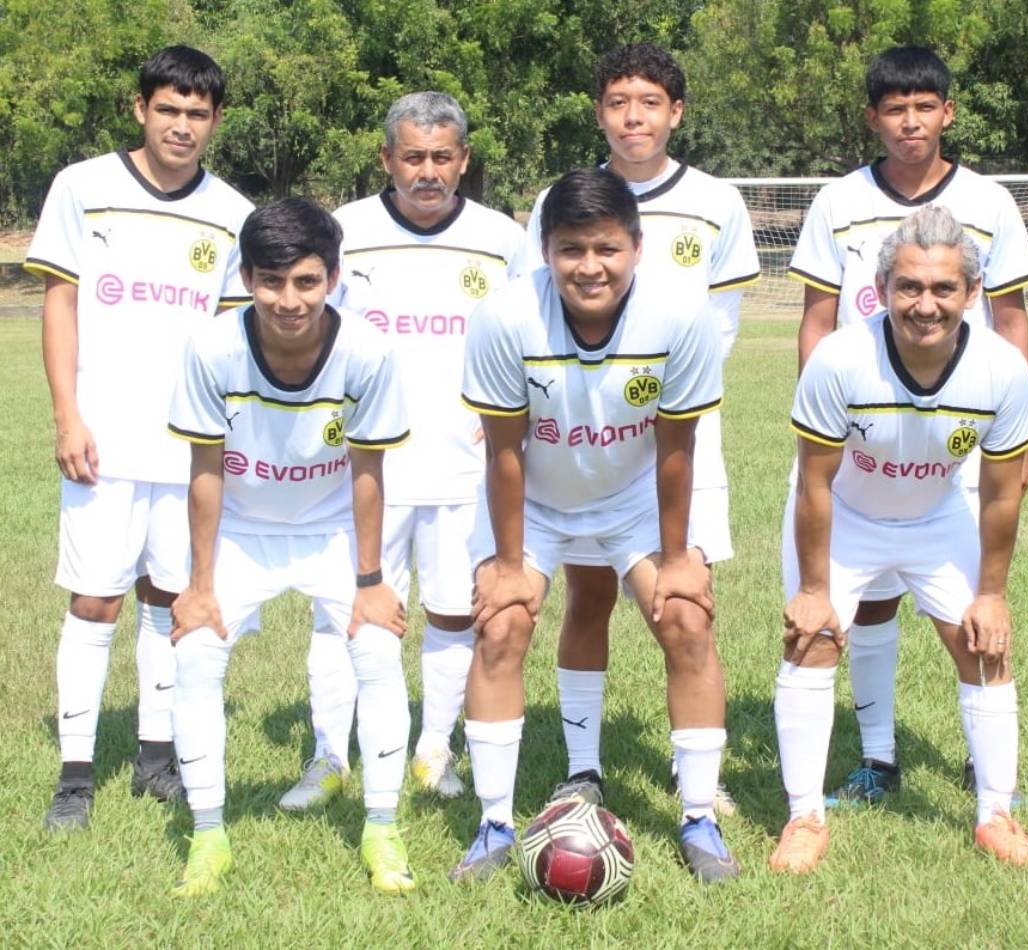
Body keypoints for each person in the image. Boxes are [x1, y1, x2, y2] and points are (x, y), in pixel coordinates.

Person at [454, 167, 739, 885]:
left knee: (686, 620)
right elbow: (504, 451)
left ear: (637, 247)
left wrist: (677, 557)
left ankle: (699, 819)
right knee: (501, 626)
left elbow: (677, 448)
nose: (590, 267)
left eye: (607, 248)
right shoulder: (504, 316)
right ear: (545, 250)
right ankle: (493, 826)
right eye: (571, 249)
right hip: (536, 497)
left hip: (635, 495)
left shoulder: (681, 315)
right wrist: (510, 565)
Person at [785, 45, 1028, 806]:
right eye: (895, 108)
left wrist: (1017, 436)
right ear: (874, 118)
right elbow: (817, 318)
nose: (910, 121)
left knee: (974, 615)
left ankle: (986, 774)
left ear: (947, 113)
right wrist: (826, 420)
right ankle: (878, 757)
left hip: (957, 432)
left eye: (924, 107)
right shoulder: (838, 201)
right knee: (863, 600)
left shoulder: (990, 201)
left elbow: (1012, 320)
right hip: (864, 425)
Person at [771, 205, 1028, 873]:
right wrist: (814, 589)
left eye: (944, 288)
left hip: (937, 518)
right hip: (845, 518)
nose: (926, 305)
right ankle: (804, 817)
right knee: (812, 641)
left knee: (984, 646)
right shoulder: (840, 359)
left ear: (972, 292)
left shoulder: (1002, 369)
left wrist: (992, 594)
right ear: (882, 287)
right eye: (910, 287)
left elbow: (1003, 492)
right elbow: (813, 483)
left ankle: (996, 817)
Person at [24, 46, 254, 832]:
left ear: (215, 121)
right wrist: (68, 415)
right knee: (96, 599)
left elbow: (230, 340)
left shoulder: (233, 212)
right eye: (168, 110)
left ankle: (158, 759)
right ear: (140, 109)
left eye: (197, 114)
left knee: (169, 596)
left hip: (190, 448)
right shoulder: (82, 187)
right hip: (103, 438)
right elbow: (60, 304)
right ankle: (75, 776)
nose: (181, 126)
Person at [524, 44, 759, 812]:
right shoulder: (561, 198)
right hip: (585, 432)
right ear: (599, 113)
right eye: (619, 102)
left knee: (684, 605)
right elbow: (536, 308)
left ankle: (694, 777)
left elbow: (721, 323)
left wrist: (670, 396)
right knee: (588, 597)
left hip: (678, 429)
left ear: (676, 112)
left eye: (650, 102)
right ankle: (583, 766)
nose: (634, 117)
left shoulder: (717, 201)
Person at [277, 91, 527, 811]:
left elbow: (528, 336)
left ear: (464, 160)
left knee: (453, 612)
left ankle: (434, 750)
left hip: (464, 465)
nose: (427, 172)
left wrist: (510, 417)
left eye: (442, 157)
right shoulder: (345, 232)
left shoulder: (500, 239)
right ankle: (329, 755)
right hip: (364, 466)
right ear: (386, 158)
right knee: (345, 611)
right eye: (413, 157)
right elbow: (308, 333)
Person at [166, 198, 416, 896]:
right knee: (195, 652)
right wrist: (200, 584)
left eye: (306, 281)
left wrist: (370, 579)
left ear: (333, 277)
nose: (289, 300)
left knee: (377, 648)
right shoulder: (211, 347)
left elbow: (368, 471)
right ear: (246, 277)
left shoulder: (368, 350)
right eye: (271, 282)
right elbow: (205, 469)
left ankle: (382, 828)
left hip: (332, 529)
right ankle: (207, 836)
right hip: (243, 532)